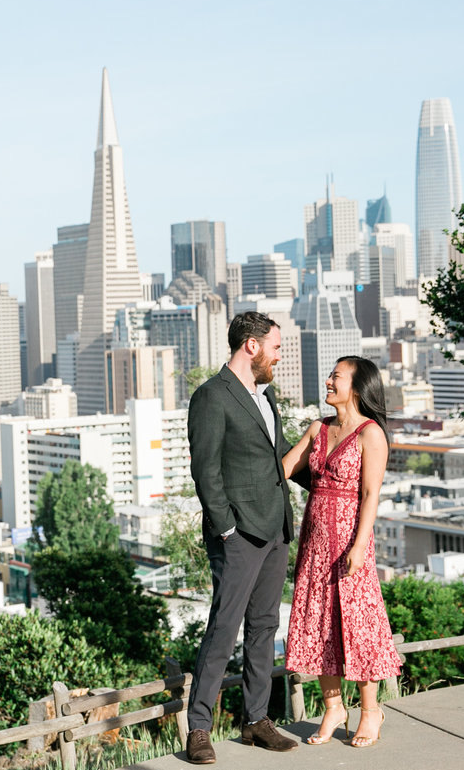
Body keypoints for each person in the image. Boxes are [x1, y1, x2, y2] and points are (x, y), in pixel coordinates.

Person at [183, 311, 306, 764]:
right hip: (238, 535)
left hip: (275, 530)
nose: (279, 356)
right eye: (275, 347)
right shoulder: (212, 397)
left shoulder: (265, 397)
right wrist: (228, 529)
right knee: (223, 629)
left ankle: (256, 720)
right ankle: (198, 728)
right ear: (251, 346)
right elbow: (205, 470)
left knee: (264, 628)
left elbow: (273, 461)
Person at [283, 355, 402, 749]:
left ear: (357, 386)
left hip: (351, 543)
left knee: (358, 625)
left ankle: (371, 711)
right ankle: (333, 706)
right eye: (330, 375)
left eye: (337, 377)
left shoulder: (371, 434)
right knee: (317, 621)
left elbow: (370, 495)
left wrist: (360, 544)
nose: (329, 382)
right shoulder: (318, 427)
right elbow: (282, 468)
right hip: (314, 543)